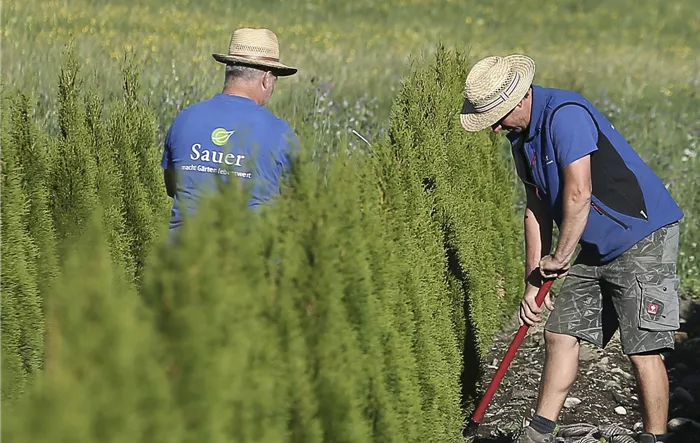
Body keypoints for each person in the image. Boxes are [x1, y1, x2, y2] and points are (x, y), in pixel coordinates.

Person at [459, 55, 684, 443]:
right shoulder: (520, 137)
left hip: (642, 237)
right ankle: (540, 432)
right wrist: (534, 277)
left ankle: (655, 437)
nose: (494, 128)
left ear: (521, 98)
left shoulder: (565, 114)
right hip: (592, 245)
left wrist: (560, 256)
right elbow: (536, 207)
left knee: (642, 346)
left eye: (497, 116)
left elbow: (579, 193)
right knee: (560, 332)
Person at [161, 28, 300, 239]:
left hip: (182, 260)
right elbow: (297, 206)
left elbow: (172, 187)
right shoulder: (280, 133)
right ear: (266, 79)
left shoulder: (185, 119)